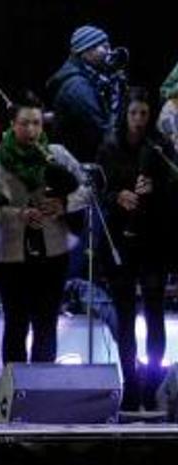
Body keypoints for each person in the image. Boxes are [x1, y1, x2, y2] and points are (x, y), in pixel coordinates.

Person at [0, 92, 89, 364]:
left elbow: (88, 191)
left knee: (46, 323)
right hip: (12, 251)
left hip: (52, 250)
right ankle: (14, 393)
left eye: (37, 123)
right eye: (25, 123)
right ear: (12, 125)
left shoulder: (57, 155)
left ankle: (43, 394)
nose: (31, 130)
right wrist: (19, 213)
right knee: (16, 323)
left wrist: (63, 204)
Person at [98, 87, 173, 411]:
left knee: (154, 311)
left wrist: (156, 190)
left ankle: (152, 382)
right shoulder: (109, 146)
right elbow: (98, 192)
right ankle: (130, 381)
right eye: (134, 113)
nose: (139, 120)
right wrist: (118, 196)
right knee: (125, 313)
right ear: (124, 114)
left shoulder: (160, 146)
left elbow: (174, 192)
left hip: (154, 239)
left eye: (144, 114)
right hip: (120, 239)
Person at [46, 25, 126, 162]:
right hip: (78, 164)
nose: (110, 53)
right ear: (86, 51)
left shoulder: (92, 79)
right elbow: (103, 131)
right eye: (105, 48)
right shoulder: (77, 87)